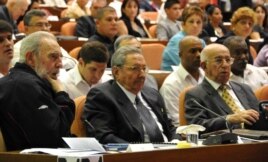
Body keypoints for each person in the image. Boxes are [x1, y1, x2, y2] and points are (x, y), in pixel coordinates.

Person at [82, 46, 178, 143]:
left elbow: (169, 127)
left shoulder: (152, 94)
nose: (142, 75)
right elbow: (104, 137)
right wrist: (138, 151)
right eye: (135, 69)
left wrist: (176, 141)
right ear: (116, 72)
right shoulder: (102, 96)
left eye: (144, 69)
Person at [0, 31, 75, 151]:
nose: (60, 64)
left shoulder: (31, 82)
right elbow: (54, 139)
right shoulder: (24, 86)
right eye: (53, 56)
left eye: (61, 57)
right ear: (31, 58)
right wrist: (62, 95)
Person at [184, 43, 264, 134]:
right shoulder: (196, 94)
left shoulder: (245, 89)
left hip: (258, 139)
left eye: (228, 60)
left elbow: (259, 118)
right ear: (204, 66)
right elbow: (196, 126)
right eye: (218, 61)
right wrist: (229, 119)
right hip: (226, 143)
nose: (225, 65)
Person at [160, 36, 205, 127]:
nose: (198, 55)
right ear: (180, 55)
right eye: (193, 51)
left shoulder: (207, 76)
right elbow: (177, 122)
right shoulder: (171, 84)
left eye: (201, 50)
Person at [12, 9, 77, 70]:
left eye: (47, 25)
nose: (45, 28)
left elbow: (73, 63)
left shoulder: (53, 45)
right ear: (26, 29)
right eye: (39, 25)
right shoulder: (18, 48)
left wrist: (54, 64)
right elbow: (23, 68)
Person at [161, 5, 206, 71]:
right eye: (191, 21)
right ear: (183, 25)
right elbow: (188, 66)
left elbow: (207, 63)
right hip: (171, 77)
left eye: (198, 22)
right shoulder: (177, 41)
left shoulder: (201, 42)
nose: (195, 25)